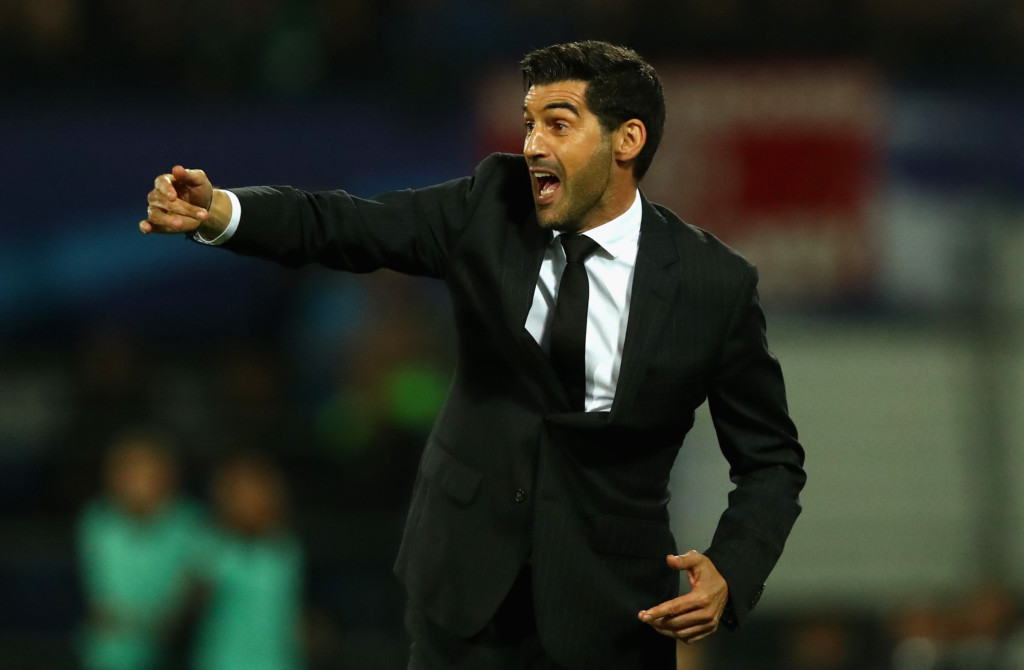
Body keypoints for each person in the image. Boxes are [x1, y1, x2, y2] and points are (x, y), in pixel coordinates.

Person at [140, 40, 806, 670]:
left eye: (559, 124)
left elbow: (772, 461)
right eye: (529, 124)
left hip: (611, 610)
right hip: (465, 593)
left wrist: (732, 567)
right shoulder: (492, 204)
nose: (533, 144)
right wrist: (222, 212)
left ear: (627, 140)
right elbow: (347, 224)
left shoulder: (712, 285)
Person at [77, 427, 204, 670]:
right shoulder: (97, 521)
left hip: (175, 654)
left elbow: (188, 600)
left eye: (150, 470)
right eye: (130, 470)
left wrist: (168, 621)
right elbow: (106, 606)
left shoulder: (189, 522)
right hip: (109, 657)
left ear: (170, 475)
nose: (139, 480)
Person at [190, 454, 304, 670]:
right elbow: (192, 606)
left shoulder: (287, 550)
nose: (250, 503)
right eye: (240, 494)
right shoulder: (208, 548)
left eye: (258, 493)